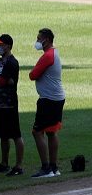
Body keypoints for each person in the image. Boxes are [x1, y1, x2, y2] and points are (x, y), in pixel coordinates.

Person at [29, 28, 66, 178]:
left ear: (47, 40)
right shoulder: (54, 54)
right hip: (56, 98)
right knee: (51, 132)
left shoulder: (47, 56)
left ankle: (46, 168)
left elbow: (33, 75)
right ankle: (54, 167)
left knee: (37, 132)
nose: (37, 41)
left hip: (48, 100)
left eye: (39, 39)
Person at [0, 34, 24, 176]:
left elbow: (2, 81)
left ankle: (19, 166)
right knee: (3, 135)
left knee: (15, 135)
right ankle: (4, 163)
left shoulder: (12, 63)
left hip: (9, 105)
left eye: (0, 44)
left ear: (8, 46)